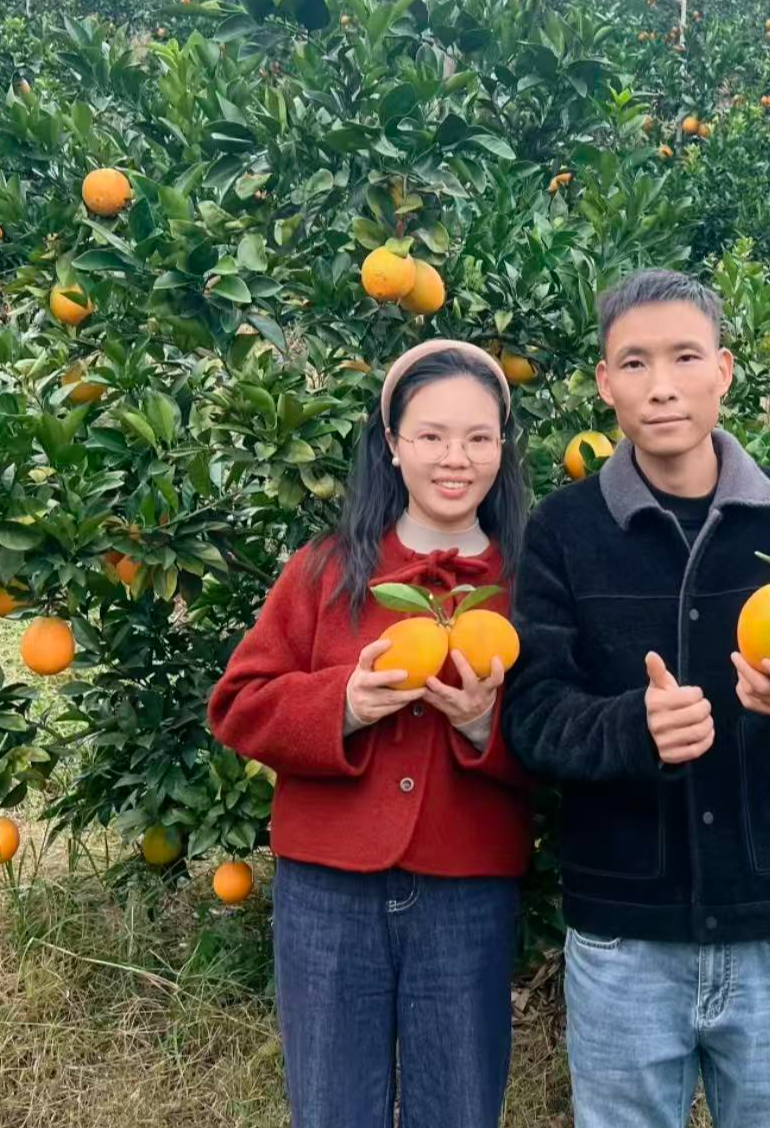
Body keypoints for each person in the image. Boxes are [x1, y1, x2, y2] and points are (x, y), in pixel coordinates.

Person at [502, 269, 770, 1128]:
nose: (662, 385)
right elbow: (532, 716)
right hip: (624, 942)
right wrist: (634, 727)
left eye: (685, 357)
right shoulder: (567, 532)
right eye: (635, 362)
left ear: (723, 370)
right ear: (605, 383)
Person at [207, 339, 533, 1128]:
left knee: (457, 1106)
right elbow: (238, 704)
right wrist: (343, 706)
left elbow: (563, 741)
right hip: (329, 889)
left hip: (467, 890)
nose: (455, 458)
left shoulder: (527, 584)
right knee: (332, 1108)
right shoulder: (326, 570)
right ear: (391, 443)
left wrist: (486, 727)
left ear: (502, 447)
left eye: (478, 437)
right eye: (431, 435)